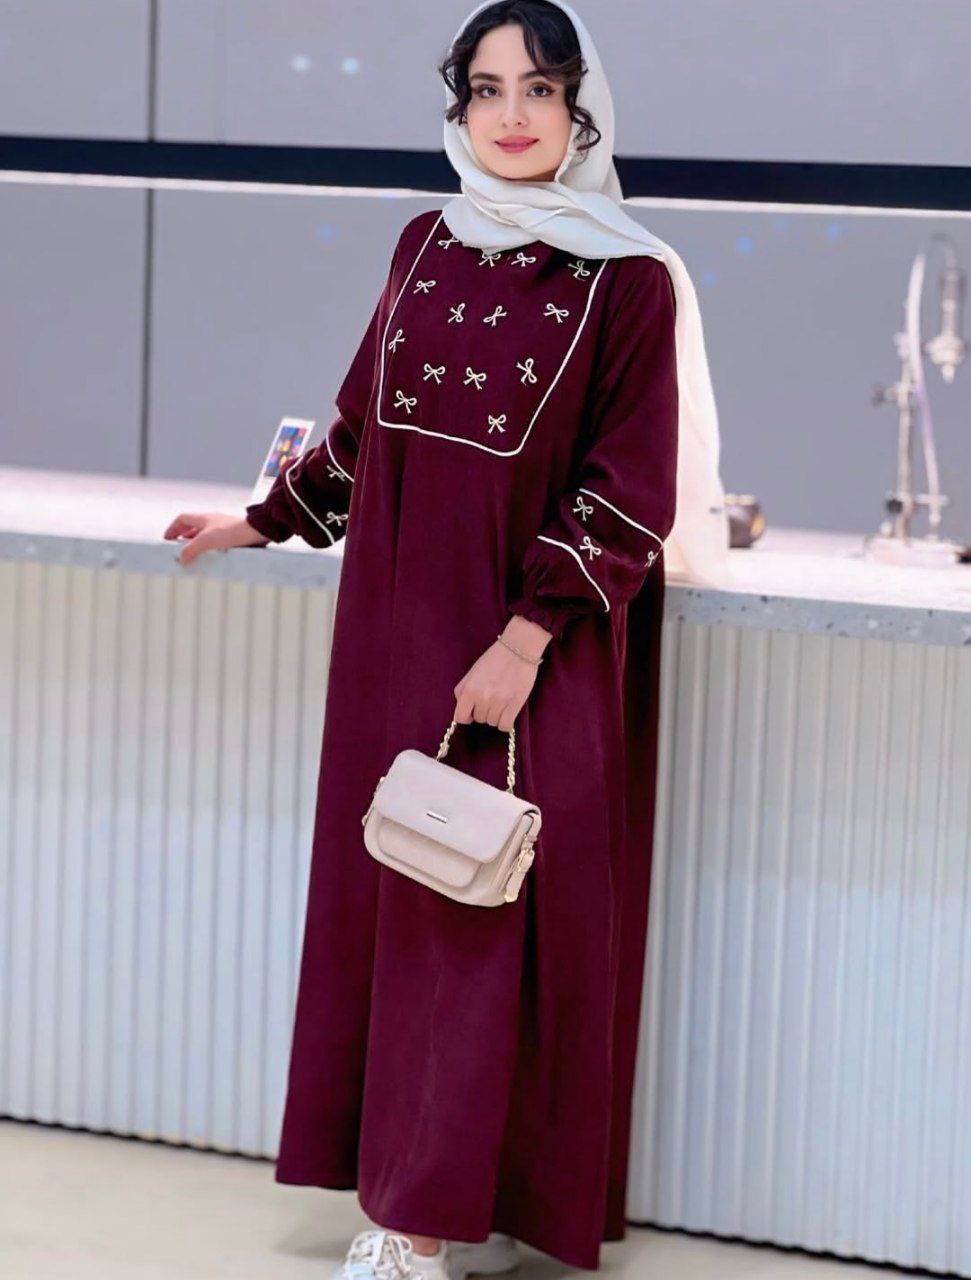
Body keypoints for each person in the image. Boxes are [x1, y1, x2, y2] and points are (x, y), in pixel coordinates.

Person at [163, 2, 729, 1278]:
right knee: (404, 896)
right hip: (398, 634)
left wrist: (522, 642)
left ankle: (418, 1226)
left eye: (538, 89)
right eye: (484, 89)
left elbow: (625, 490)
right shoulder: (423, 241)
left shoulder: (627, 277)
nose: (510, 115)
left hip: (527, 650)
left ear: (582, 108)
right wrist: (257, 520)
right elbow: (361, 434)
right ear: (457, 106)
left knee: (483, 915)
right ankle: (420, 1204)